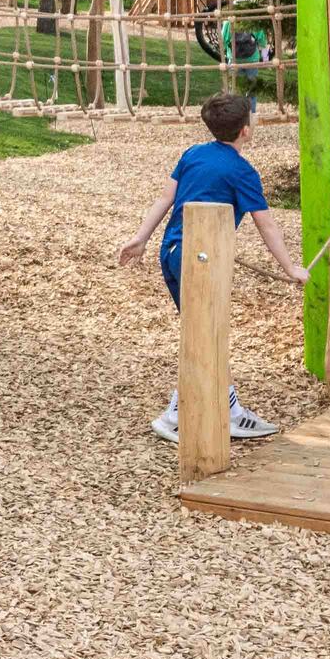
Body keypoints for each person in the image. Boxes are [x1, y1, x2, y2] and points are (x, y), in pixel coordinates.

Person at [115, 89, 305, 444]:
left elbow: (165, 199)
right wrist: (291, 268)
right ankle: (176, 414)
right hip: (200, 259)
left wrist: (141, 238)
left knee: (205, 331)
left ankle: (228, 410)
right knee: (204, 335)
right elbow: (266, 225)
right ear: (245, 130)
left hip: (171, 253)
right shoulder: (243, 172)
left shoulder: (193, 154)